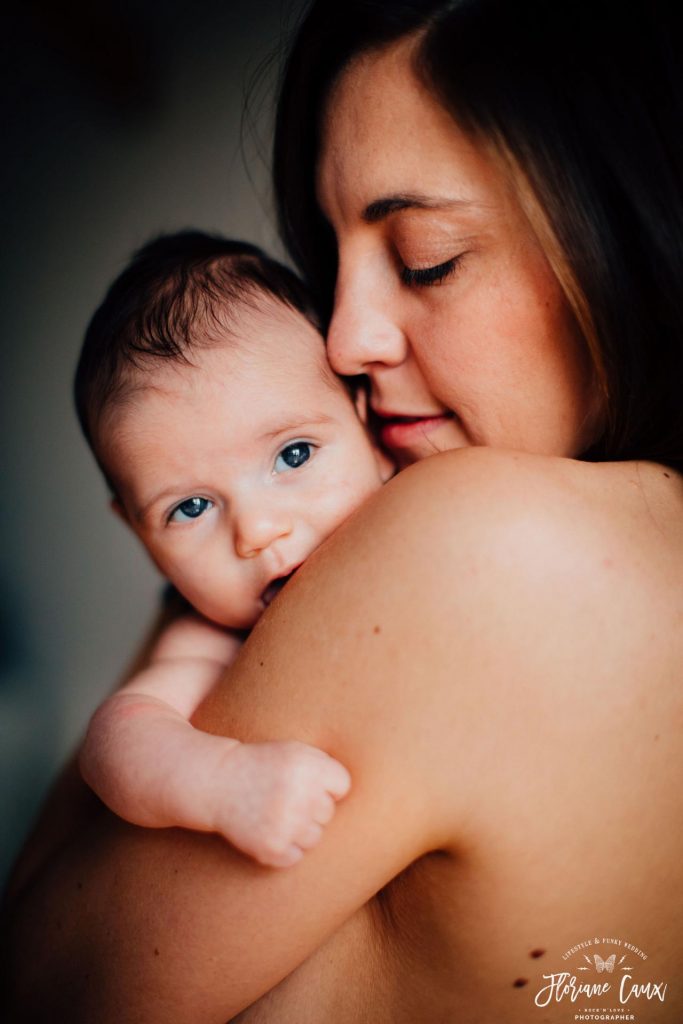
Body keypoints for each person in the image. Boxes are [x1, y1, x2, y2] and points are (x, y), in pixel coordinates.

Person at [3, 0, 682, 1021]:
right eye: (332, 270)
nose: (345, 339)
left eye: (423, 260)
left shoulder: (487, 539)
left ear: (627, 222)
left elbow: (41, 984)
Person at [74, 231, 389, 869]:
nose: (258, 531)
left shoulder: (433, 513)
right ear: (140, 536)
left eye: (292, 455)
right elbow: (116, 742)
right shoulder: (210, 644)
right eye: (190, 507)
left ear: (367, 424)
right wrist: (225, 783)